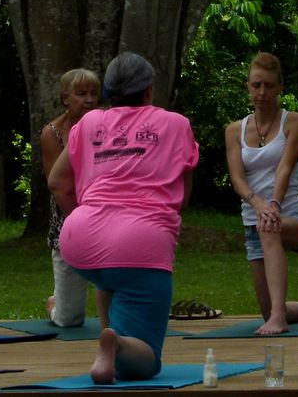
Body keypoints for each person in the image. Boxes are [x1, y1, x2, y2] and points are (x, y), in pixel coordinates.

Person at [48, 52, 199, 384]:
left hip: (81, 239)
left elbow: (57, 182)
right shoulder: (176, 124)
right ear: (149, 91)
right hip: (139, 242)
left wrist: (88, 219)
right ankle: (116, 345)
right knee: (145, 363)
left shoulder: (88, 123)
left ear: (108, 92)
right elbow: (183, 196)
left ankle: (108, 340)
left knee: (109, 278)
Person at [225, 52, 298, 336]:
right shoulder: (234, 130)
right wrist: (260, 205)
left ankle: (278, 319)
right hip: (256, 221)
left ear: (280, 88)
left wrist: (273, 204)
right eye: (257, 85)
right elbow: (238, 179)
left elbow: (285, 168)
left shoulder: (295, 122)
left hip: (292, 217)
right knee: (270, 306)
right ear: (248, 86)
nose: (263, 92)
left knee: (270, 228)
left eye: (270, 86)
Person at [39, 68, 102, 328]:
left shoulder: (105, 125)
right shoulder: (52, 133)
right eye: (81, 94)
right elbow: (58, 184)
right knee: (68, 320)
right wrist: (81, 222)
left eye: (93, 94)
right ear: (66, 98)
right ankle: (55, 303)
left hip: (103, 212)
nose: (89, 99)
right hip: (69, 216)